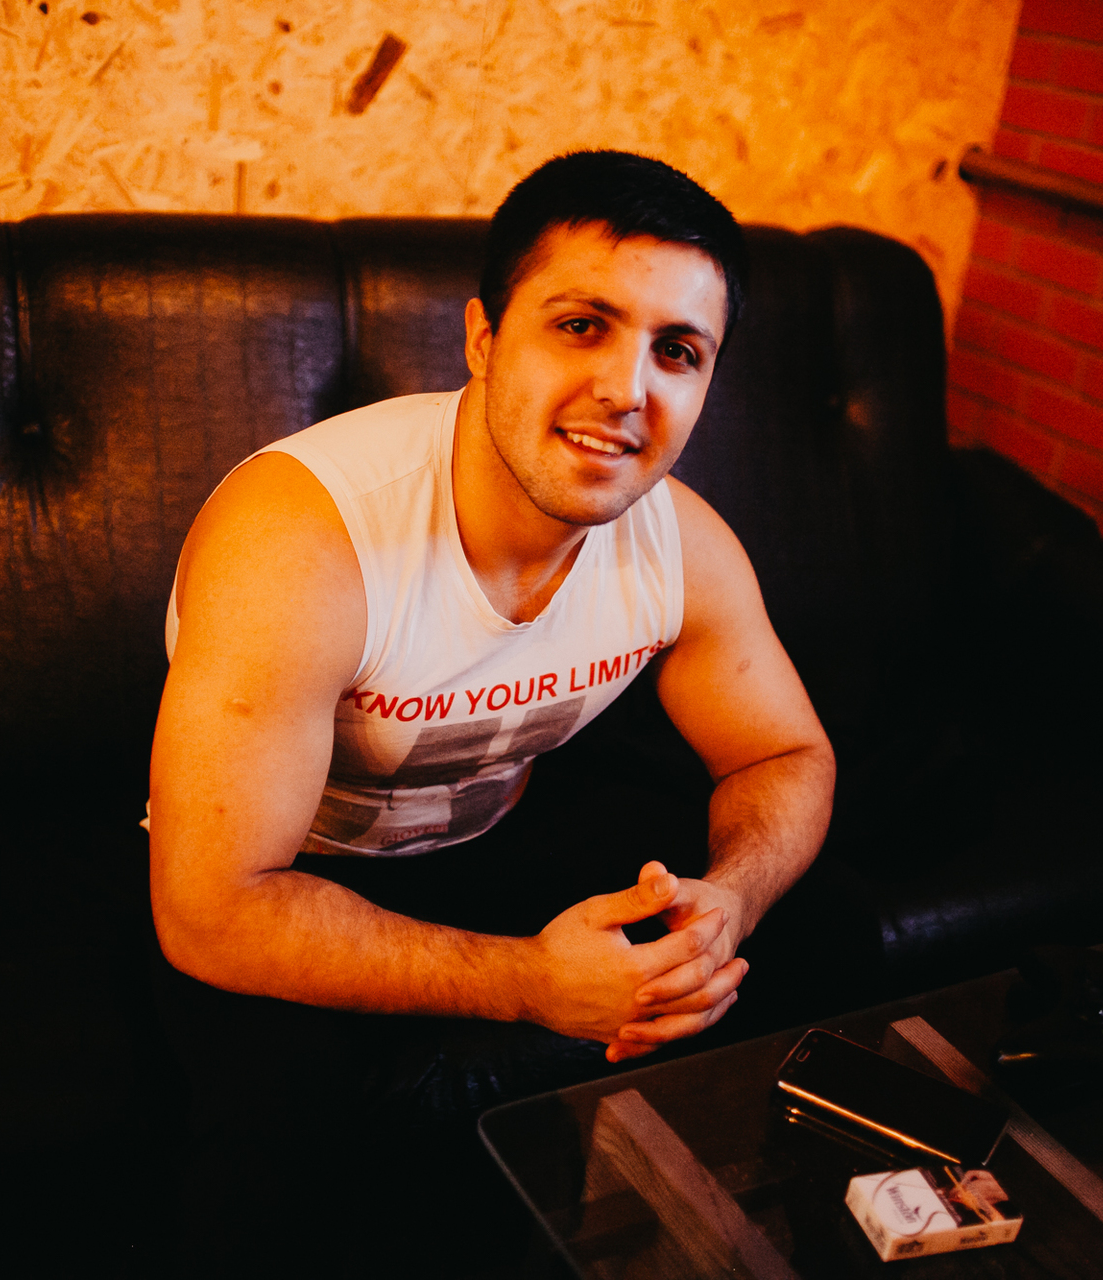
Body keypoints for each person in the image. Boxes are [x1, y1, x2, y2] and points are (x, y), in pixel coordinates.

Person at [146, 150, 835, 1272]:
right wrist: (531, 983)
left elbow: (787, 752)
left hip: (498, 827)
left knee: (791, 950)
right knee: (288, 1133)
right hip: (291, 867)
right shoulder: (306, 537)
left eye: (677, 351)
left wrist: (732, 903)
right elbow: (211, 909)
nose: (628, 390)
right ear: (483, 338)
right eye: (582, 326)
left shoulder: (685, 545)